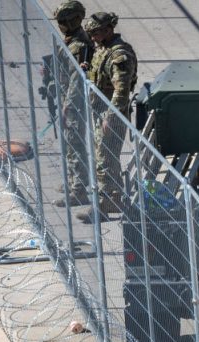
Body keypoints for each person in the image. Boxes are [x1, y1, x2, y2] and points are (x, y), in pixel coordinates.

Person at [76, 11, 137, 223]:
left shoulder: (120, 55)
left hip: (111, 113)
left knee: (105, 159)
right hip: (100, 109)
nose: (92, 37)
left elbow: (121, 91)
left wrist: (110, 117)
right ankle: (112, 198)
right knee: (103, 158)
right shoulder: (103, 49)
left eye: (95, 33)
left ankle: (104, 204)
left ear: (108, 30)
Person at [51, 0, 95, 207]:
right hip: (69, 99)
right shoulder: (73, 40)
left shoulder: (78, 45)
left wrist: (67, 105)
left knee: (74, 144)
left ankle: (78, 191)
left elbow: (77, 79)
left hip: (75, 102)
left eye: (66, 21)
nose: (63, 24)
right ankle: (75, 182)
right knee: (71, 143)